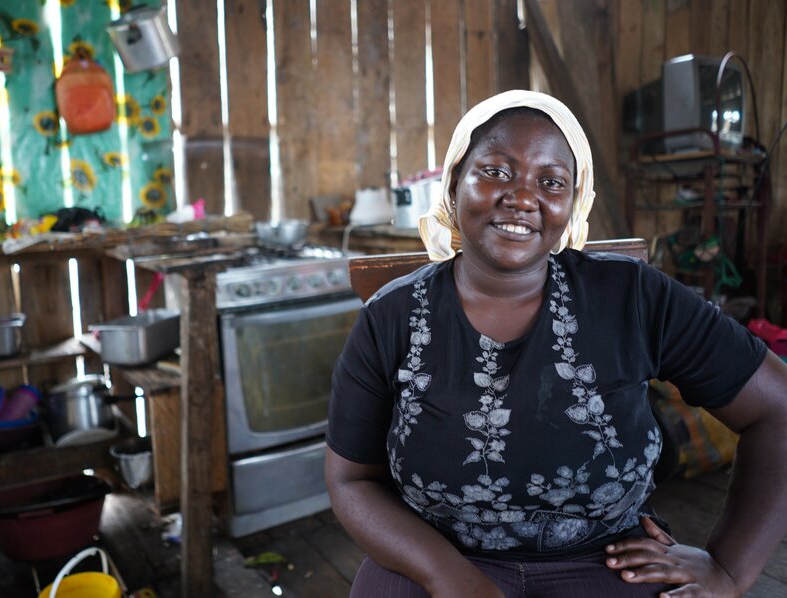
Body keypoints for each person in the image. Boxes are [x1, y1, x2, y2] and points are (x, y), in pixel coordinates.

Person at [325, 89, 787, 598]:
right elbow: (351, 481)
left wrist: (729, 568)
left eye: (551, 182)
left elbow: (777, 411)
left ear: (573, 203)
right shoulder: (391, 317)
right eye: (496, 171)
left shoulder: (632, 296)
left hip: (606, 563)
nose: (522, 197)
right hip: (429, 560)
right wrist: (450, 578)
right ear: (454, 184)